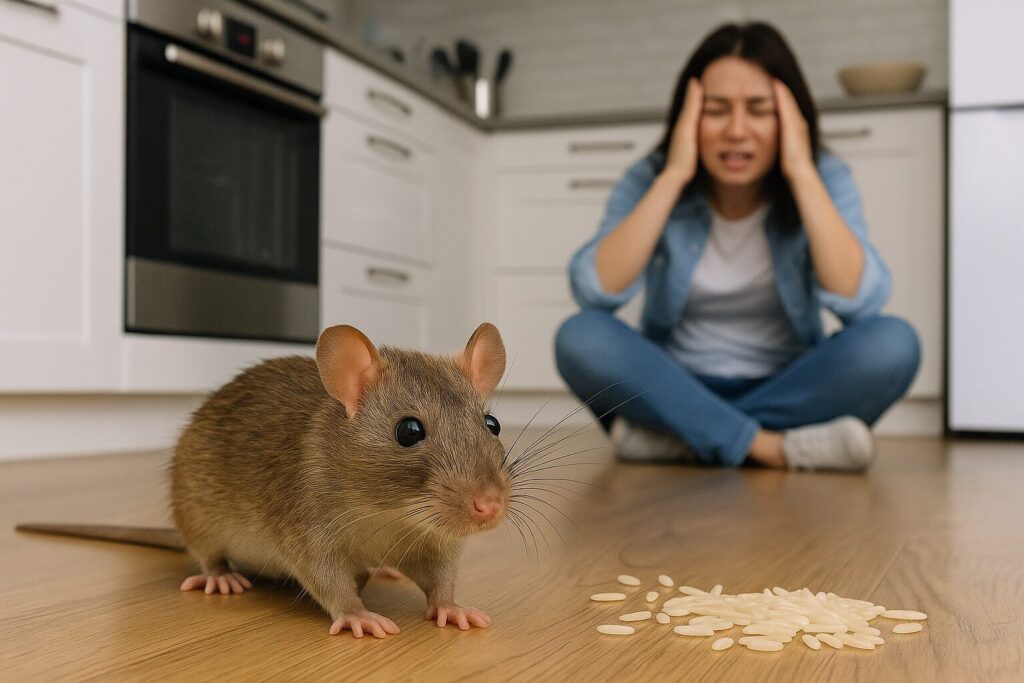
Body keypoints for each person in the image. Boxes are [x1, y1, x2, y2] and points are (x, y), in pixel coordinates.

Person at [554, 22, 920, 471]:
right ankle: (772, 448)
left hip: (789, 385)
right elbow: (593, 289)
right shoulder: (651, 175)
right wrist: (674, 175)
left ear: (791, 116)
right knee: (580, 337)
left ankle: (683, 440)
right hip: (675, 385)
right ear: (688, 116)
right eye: (716, 110)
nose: (737, 130)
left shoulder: (823, 175)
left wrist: (802, 170)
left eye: (760, 109)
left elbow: (862, 302)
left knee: (893, 343)